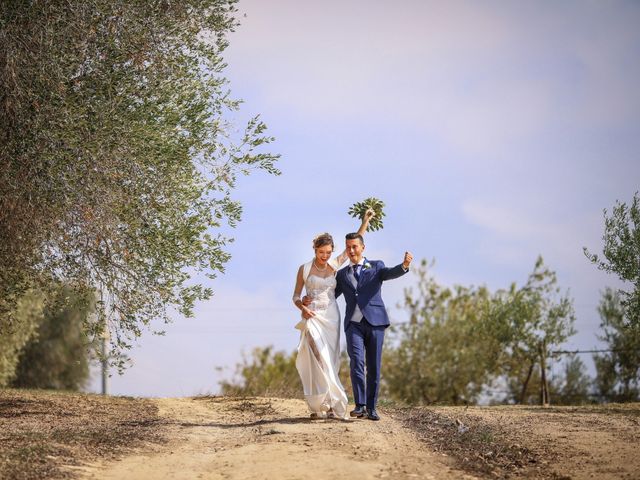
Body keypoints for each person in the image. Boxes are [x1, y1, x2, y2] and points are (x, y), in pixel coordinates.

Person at [292, 210, 374, 419]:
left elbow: (352, 246)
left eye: (328, 252)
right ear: (315, 249)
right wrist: (303, 306)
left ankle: (328, 405)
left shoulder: (334, 265)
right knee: (317, 357)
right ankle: (318, 404)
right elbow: (295, 296)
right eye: (322, 252)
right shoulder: (304, 269)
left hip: (331, 317)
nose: (325, 256)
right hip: (312, 317)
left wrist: (364, 222)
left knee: (330, 359)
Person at [334, 234, 413, 421]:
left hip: (375, 322)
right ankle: (360, 405)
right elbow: (330, 295)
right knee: (356, 363)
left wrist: (404, 266)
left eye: (354, 247)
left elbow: (389, 273)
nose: (351, 251)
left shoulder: (376, 266)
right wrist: (311, 299)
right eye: (348, 247)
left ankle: (372, 407)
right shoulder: (342, 275)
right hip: (353, 325)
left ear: (363, 247)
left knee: (374, 366)